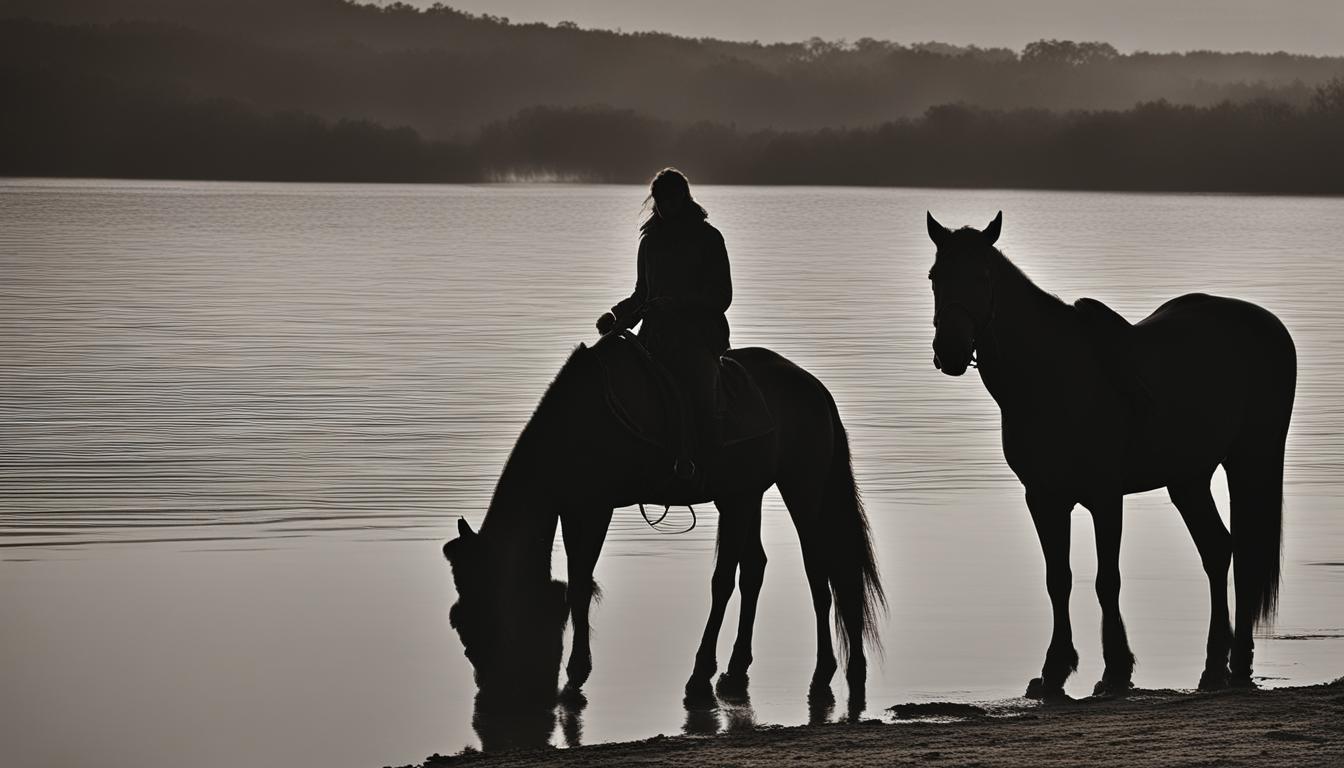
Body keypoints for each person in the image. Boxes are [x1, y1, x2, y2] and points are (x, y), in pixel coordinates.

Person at [596, 168, 732, 480]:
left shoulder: (709, 239)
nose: (666, 207)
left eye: (671, 200)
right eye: (661, 201)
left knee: (697, 387)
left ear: (684, 198)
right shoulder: (650, 242)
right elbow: (641, 294)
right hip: (655, 337)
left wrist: (681, 304)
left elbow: (722, 296)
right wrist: (617, 318)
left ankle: (706, 460)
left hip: (699, 338)